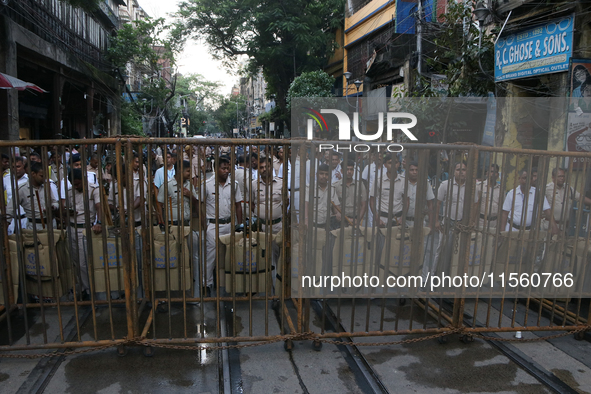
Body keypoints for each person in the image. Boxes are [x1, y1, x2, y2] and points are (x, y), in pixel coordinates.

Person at [157, 160, 201, 298]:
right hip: (173, 226)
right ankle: (173, 285)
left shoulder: (189, 185)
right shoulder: (168, 185)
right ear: (180, 171)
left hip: (187, 225)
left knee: (191, 254)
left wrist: (190, 195)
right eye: (188, 171)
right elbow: (159, 204)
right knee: (174, 255)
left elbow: (196, 202)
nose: (190, 174)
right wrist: (162, 221)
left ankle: (193, 283)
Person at [200, 156, 243, 295]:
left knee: (231, 255)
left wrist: (239, 224)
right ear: (215, 168)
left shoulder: (234, 184)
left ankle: (232, 283)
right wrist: (204, 226)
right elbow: (201, 205)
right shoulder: (206, 185)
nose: (226, 171)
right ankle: (206, 283)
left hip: (229, 224)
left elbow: (238, 205)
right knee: (210, 256)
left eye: (228, 167)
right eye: (223, 168)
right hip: (213, 225)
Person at [64, 168, 103, 299]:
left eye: (78, 184)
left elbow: (99, 207)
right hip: (71, 228)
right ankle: (80, 288)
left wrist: (99, 222)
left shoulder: (93, 189)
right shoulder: (70, 192)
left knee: (83, 262)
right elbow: (65, 207)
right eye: (73, 184)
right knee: (74, 261)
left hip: (85, 229)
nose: (76, 187)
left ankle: (89, 291)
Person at [434, 162, 478, 271]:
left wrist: (472, 221)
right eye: (458, 169)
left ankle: (455, 277)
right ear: (454, 172)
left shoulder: (472, 187)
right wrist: (436, 221)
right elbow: (438, 203)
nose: (461, 172)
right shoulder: (445, 185)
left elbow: (475, 204)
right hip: (448, 222)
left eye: (464, 169)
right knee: (441, 249)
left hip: (464, 224)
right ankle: (434, 275)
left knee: (461, 252)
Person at [499, 170, 558, 234]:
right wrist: (502, 231)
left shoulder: (537, 193)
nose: (527, 181)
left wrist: (554, 226)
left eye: (529, 178)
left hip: (530, 231)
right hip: (513, 229)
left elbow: (547, 210)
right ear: (519, 179)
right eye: (524, 178)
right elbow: (505, 213)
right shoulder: (512, 193)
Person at [7, 162, 59, 231]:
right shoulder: (22, 189)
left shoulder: (47, 186)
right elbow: (10, 209)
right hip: (35, 226)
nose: (45, 178)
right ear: (33, 174)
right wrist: (6, 225)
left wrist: (53, 207)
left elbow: (55, 202)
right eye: (42, 176)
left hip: (51, 224)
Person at [369, 154, 407, 228]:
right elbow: (372, 201)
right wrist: (377, 218)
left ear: (398, 164)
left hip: (398, 219)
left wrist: (402, 218)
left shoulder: (404, 181)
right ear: (385, 165)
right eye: (390, 163)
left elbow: (406, 201)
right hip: (383, 219)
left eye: (395, 163)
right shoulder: (378, 181)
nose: (393, 165)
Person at [304, 164, 340, 228]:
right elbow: (306, 204)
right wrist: (306, 219)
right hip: (313, 223)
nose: (324, 176)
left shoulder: (332, 189)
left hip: (328, 224)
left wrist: (338, 214)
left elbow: (336, 207)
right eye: (321, 174)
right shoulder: (309, 188)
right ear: (316, 174)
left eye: (326, 174)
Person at [333, 159, 367, 227]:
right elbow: (333, 205)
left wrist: (358, 220)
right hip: (340, 221)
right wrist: (338, 214)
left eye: (351, 169)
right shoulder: (335, 186)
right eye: (347, 169)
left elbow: (364, 204)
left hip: (356, 219)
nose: (349, 172)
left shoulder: (360, 185)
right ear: (342, 171)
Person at [406, 160, 435, 229]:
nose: (414, 172)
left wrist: (430, 224)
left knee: (419, 239)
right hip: (404, 221)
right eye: (412, 170)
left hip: (419, 221)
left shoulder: (425, 184)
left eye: (417, 170)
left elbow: (430, 204)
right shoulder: (403, 183)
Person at [476, 164, 501, 229]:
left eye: (495, 172)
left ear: (498, 175)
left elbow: (502, 207)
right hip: (481, 221)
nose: (493, 174)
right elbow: (474, 205)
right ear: (487, 173)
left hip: (495, 222)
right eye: (491, 171)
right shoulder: (479, 186)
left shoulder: (501, 189)